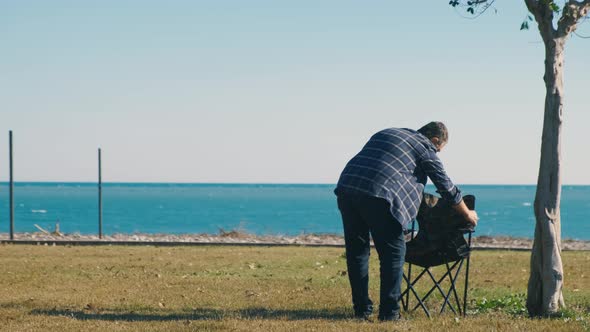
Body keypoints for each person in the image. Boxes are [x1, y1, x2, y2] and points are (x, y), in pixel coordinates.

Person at [334, 122, 478, 321]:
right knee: (393, 253)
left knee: (358, 252)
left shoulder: (387, 132)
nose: (437, 153)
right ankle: (389, 314)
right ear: (435, 140)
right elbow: (445, 185)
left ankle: (361, 310)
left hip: (348, 188)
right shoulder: (425, 148)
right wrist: (467, 213)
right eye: (439, 149)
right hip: (381, 195)